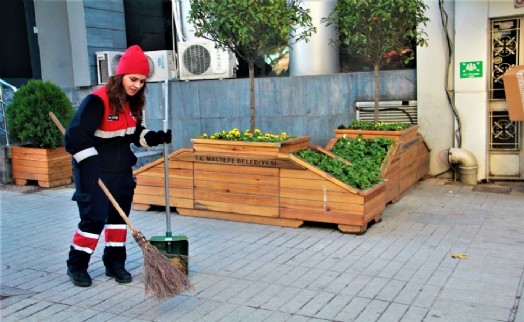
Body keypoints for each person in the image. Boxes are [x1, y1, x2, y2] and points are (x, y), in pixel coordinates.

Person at [64, 45, 172, 287]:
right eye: (133, 79)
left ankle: (115, 264)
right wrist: (90, 163)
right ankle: (77, 266)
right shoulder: (97, 101)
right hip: (94, 172)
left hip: (121, 172)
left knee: (118, 221)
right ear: (120, 76)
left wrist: (153, 137)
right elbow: (74, 137)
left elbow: (134, 133)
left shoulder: (132, 104)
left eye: (142, 81)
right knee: (94, 220)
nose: (137, 85)